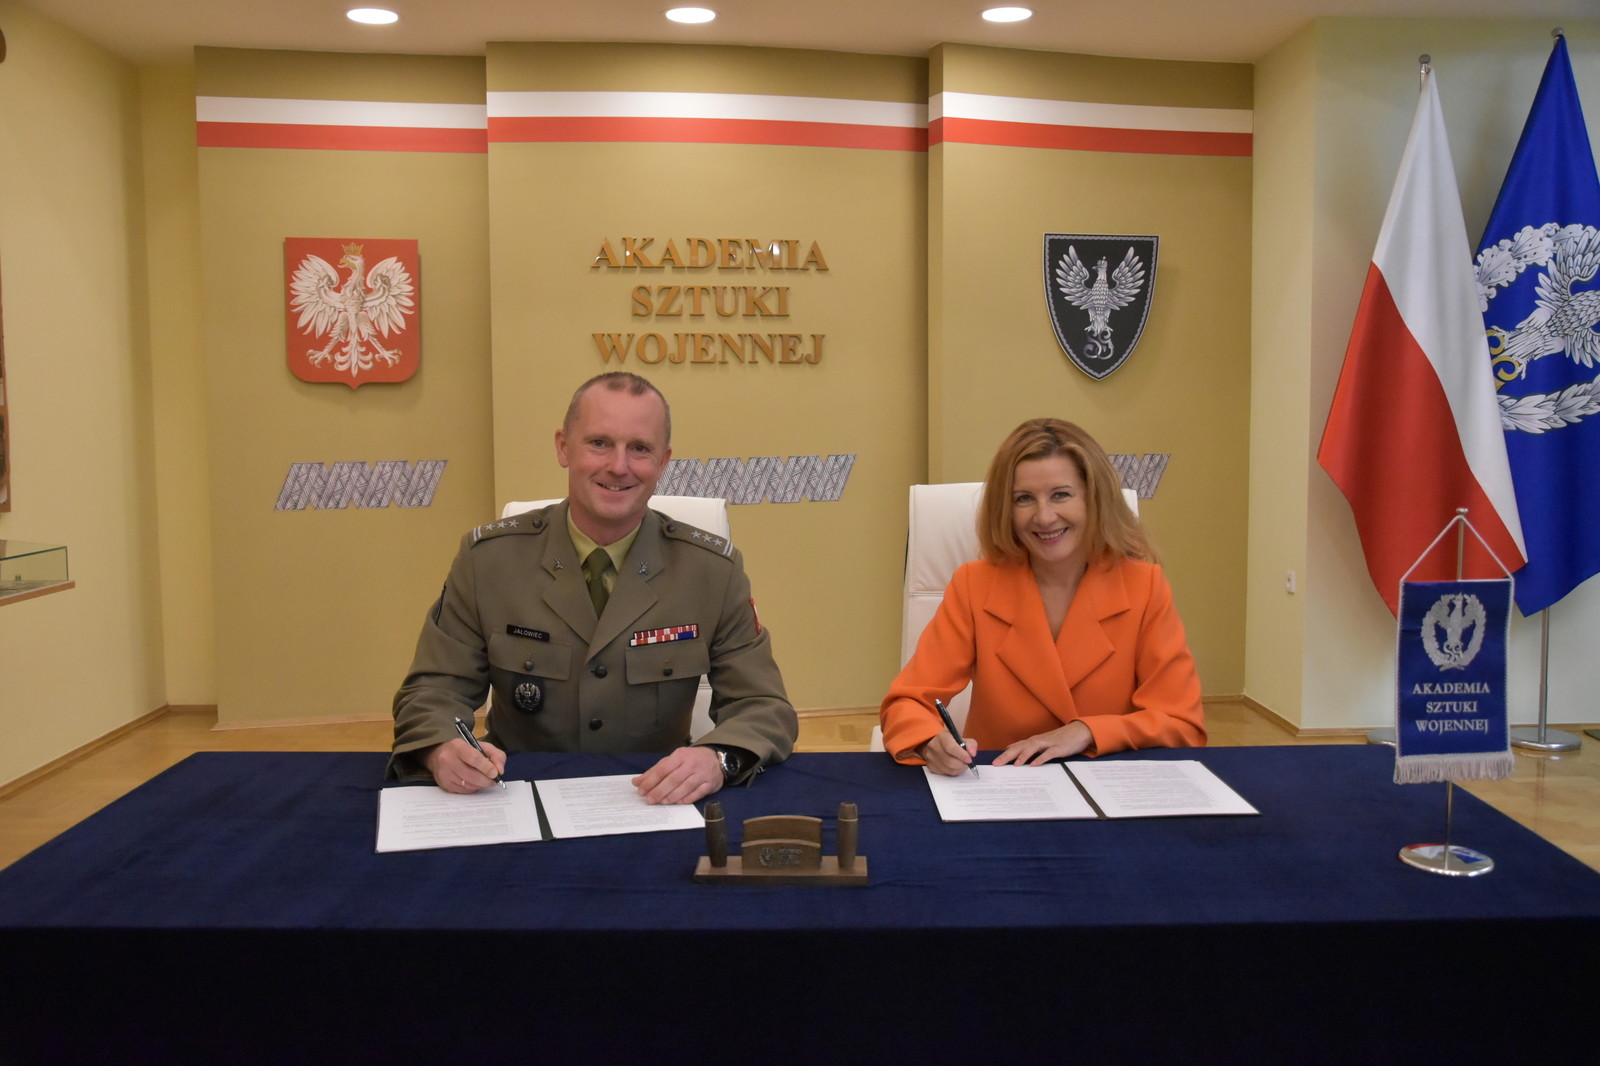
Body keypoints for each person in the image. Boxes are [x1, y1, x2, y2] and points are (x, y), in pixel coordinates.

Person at [390, 372, 797, 802]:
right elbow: (433, 692)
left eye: (640, 448)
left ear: (663, 461)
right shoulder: (489, 562)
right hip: (519, 795)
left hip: (655, 797)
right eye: (599, 443)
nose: (619, 466)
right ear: (563, 447)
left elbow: (763, 707)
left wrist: (718, 758)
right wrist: (442, 749)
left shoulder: (711, 571)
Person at [879, 417, 1205, 774]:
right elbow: (907, 703)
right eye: (1024, 499)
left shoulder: (1145, 586)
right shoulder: (974, 585)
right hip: (1001, 783)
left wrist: (1087, 731)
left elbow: (1181, 723)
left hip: (1108, 782)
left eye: (1061, 494)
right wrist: (929, 741)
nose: (1044, 517)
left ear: (1093, 498)